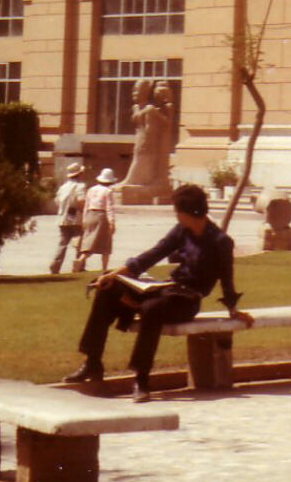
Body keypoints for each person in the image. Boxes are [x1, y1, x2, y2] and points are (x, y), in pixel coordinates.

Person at [64, 184, 253, 402]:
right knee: (108, 288)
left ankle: (141, 379)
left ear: (186, 212)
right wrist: (114, 274)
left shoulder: (220, 242)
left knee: (151, 308)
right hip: (167, 288)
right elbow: (153, 254)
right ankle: (93, 362)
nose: (177, 216)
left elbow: (227, 280)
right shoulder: (182, 230)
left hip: (188, 300)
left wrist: (234, 310)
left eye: (177, 211)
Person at [74, 167, 118, 274]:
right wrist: (112, 222)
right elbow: (109, 208)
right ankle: (104, 268)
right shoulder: (108, 191)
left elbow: (86, 206)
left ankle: (81, 259)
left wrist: (84, 219)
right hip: (101, 217)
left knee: (90, 242)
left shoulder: (91, 189)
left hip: (90, 214)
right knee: (106, 244)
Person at [49, 164, 87, 275]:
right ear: (79, 174)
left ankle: (55, 266)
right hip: (76, 218)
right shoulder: (80, 186)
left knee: (63, 243)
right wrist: (83, 210)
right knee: (80, 243)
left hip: (63, 218)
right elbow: (81, 200)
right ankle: (79, 266)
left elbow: (57, 201)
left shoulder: (63, 187)